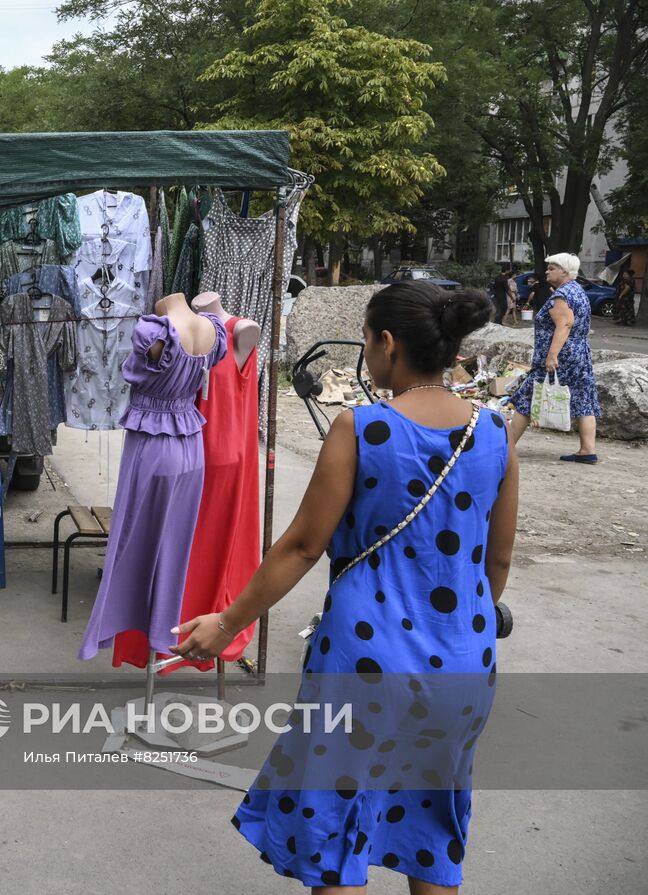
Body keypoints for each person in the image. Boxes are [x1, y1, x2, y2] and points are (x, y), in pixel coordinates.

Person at [172, 281, 517, 893]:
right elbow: (498, 561)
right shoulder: (494, 432)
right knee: (432, 825)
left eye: (365, 339)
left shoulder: (361, 427)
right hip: (465, 662)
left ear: (387, 343)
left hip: (365, 658)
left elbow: (303, 546)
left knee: (334, 828)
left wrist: (226, 624)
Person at [507, 252, 600, 462]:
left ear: (564, 271)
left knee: (528, 398)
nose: (547, 272)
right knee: (584, 397)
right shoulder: (576, 290)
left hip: (561, 355)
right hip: (579, 353)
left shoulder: (562, 295)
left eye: (552, 268)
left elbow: (564, 324)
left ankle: (506, 447)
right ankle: (588, 450)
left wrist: (551, 355)